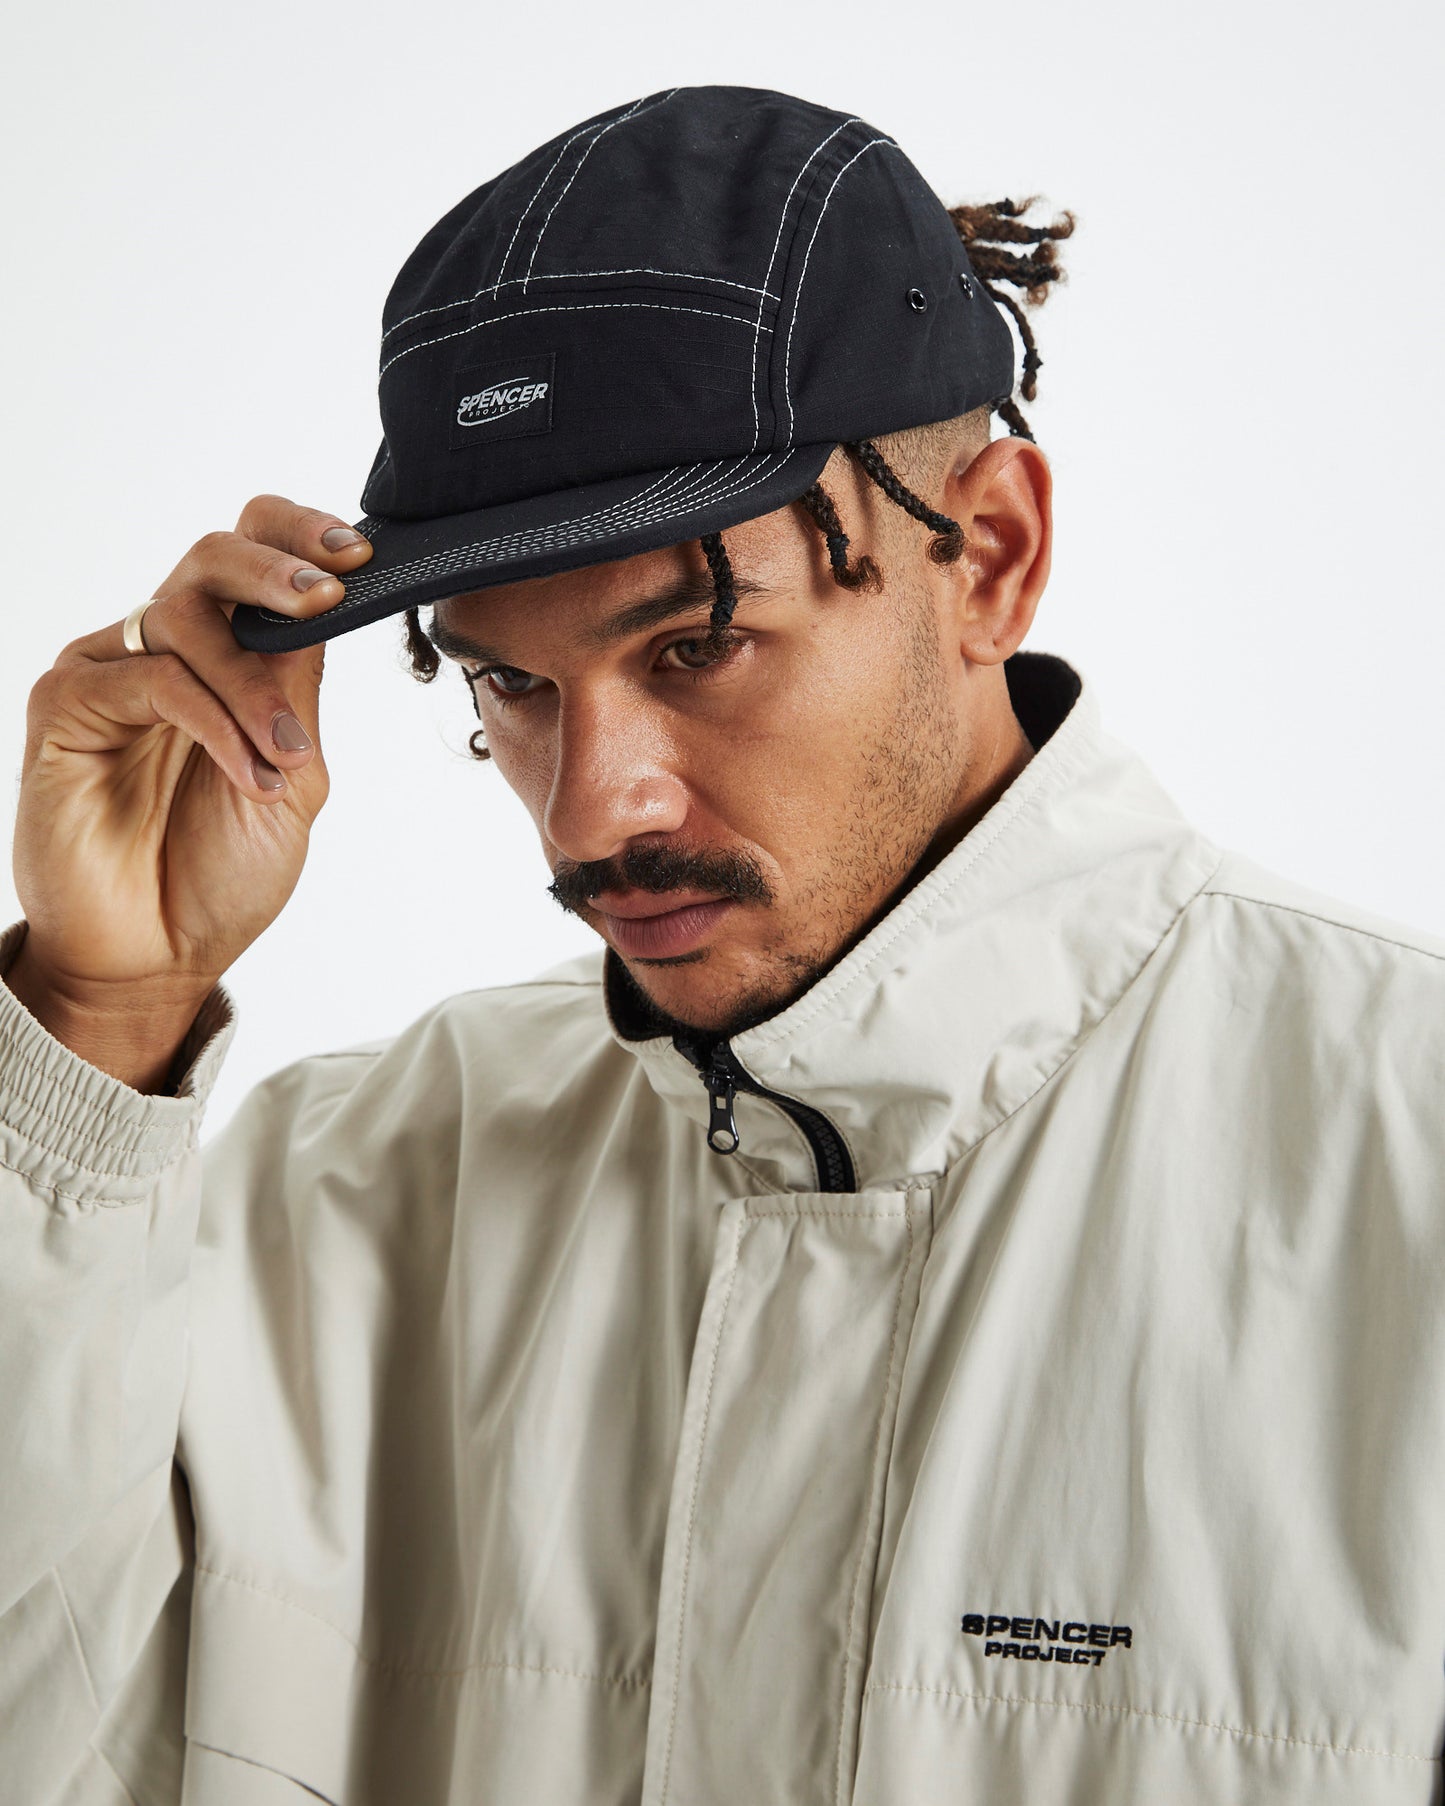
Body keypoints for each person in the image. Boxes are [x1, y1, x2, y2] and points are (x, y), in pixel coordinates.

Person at [2, 83, 1442, 1806]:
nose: (589, 807)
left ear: (988, 557)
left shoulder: (1404, 1154)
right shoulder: (351, 1197)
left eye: (693, 646)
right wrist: (98, 1017)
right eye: (510, 682)